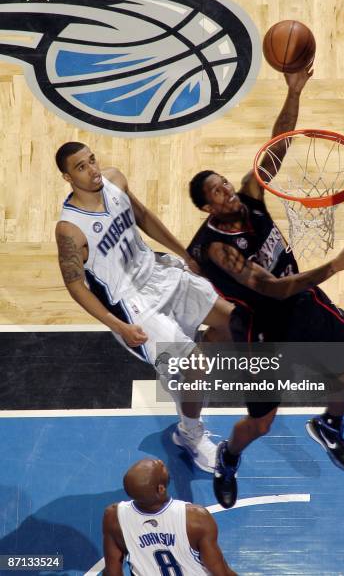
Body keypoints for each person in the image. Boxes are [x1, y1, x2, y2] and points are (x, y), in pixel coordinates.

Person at [187, 67, 344, 507]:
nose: (228, 192)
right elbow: (271, 290)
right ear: (205, 207)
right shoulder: (218, 249)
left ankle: (328, 425)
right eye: (217, 192)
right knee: (260, 424)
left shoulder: (251, 202)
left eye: (226, 185)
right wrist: (336, 265)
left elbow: (277, 145)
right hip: (262, 331)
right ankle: (227, 457)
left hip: (304, 307)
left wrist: (293, 91)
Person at [55, 144, 234, 473]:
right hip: (133, 305)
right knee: (196, 365)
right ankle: (190, 435)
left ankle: (183, 372)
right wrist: (118, 326)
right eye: (81, 167)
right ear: (68, 177)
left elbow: (144, 217)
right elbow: (75, 286)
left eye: (92, 159)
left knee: (229, 322)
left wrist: (186, 253)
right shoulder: (70, 229)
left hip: (158, 272)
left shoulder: (115, 181)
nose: (93, 169)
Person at [102, 458, 237, 575]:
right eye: (160, 466)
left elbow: (112, 571)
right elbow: (219, 571)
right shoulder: (195, 518)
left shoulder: (114, 517)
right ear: (161, 489)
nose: (161, 462)